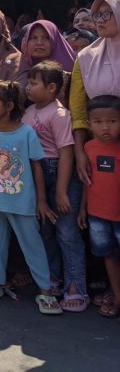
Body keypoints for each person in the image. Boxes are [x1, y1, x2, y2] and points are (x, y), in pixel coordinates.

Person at [0, 81, 62, 315]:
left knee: (32, 245)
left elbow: (37, 167)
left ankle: (45, 290)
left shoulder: (26, 133)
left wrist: (41, 201)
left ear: (10, 105)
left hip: (22, 202)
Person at [23, 61, 87, 311]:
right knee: (46, 229)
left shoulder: (60, 114)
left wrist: (61, 190)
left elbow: (66, 153)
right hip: (37, 174)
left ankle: (75, 286)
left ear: (52, 88)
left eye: (34, 83)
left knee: (67, 232)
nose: (28, 87)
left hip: (60, 172)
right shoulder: (28, 113)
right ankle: (51, 279)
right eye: (28, 82)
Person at [71, 0, 120, 187]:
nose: (100, 20)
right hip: (101, 146)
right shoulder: (85, 57)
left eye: (107, 14)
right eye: (97, 15)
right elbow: (79, 110)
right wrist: (80, 152)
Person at [78, 95, 120, 318]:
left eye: (112, 121)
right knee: (108, 255)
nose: (105, 127)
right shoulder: (88, 147)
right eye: (98, 121)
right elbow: (87, 181)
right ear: (89, 123)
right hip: (97, 215)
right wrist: (83, 208)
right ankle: (116, 294)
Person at [16, 20, 75, 101]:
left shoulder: (70, 69)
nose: (39, 43)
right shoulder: (18, 66)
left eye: (46, 38)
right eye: (34, 38)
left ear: (54, 40)